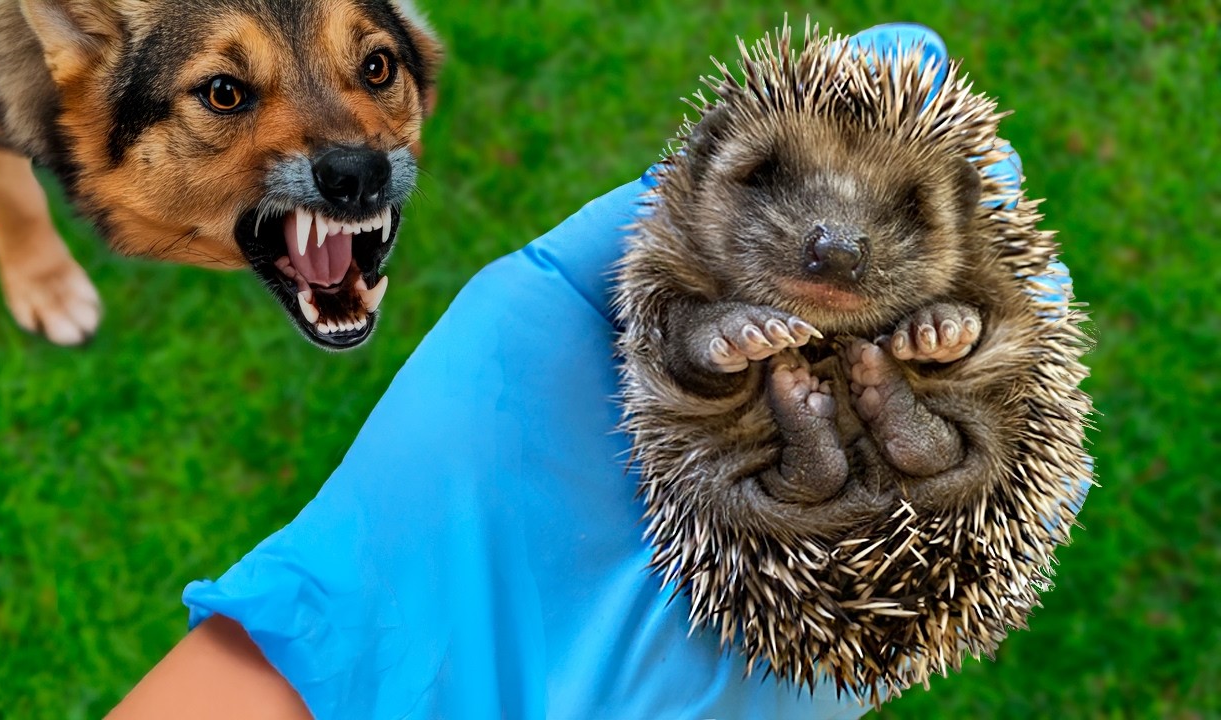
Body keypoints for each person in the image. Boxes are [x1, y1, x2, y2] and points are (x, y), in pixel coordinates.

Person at [106, 24, 1077, 720]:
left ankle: (903, 441)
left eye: (895, 209)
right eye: (775, 185)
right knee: (700, 390)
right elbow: (667, 353)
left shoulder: (966, 262)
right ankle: (823, 462)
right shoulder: (677, 253)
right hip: (745, 485)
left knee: (968, 378)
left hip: (915, 454)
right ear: (702, 172)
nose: (829, 246)